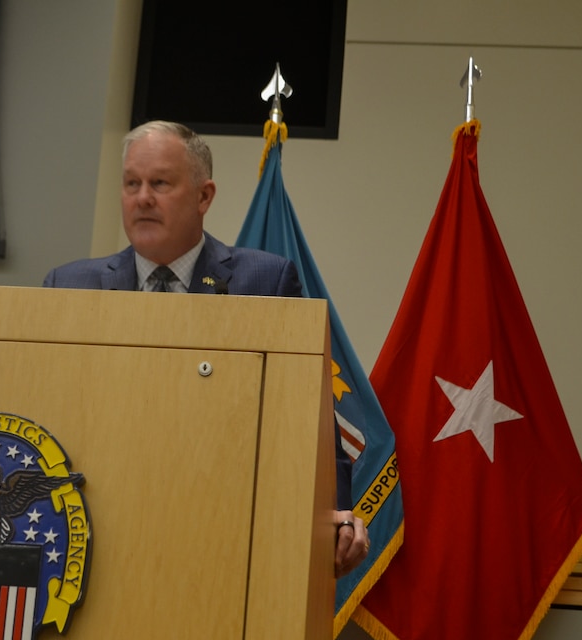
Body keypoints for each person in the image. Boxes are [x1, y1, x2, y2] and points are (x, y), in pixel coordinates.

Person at [43, 120, 370, 577]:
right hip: (98, 529)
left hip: (221, 529)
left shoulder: (265, 281)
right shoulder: (70, 286)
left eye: (160, 183)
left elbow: (309, 418)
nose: (142, 198)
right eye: (132, 184)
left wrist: (336, 518)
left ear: (204, 196)